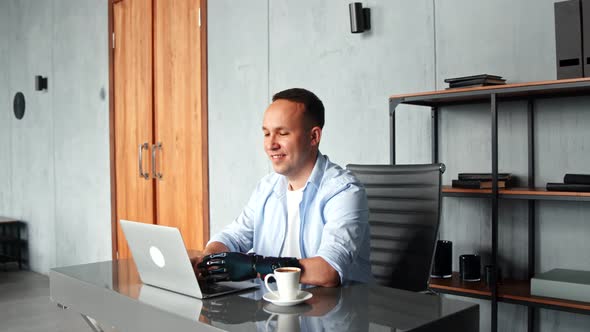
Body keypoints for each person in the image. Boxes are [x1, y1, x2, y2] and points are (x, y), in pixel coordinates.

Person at [195, 88, 371, 287]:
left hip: (333, 311)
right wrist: (209, 259)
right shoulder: (266, 188)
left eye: (282, 133)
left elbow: (328, 270)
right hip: (273, 310)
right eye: (267, 133)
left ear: (314, 136)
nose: (271, 145)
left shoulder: (344, 191)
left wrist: (256, 266)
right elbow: (234, 236)